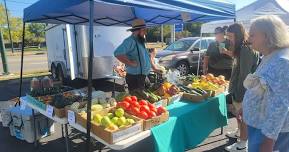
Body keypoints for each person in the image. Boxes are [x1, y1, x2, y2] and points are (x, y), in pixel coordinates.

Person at [242, 15, 289, 152]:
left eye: (252, 35)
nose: (248, 39)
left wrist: (268, 141)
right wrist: (245, 107)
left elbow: (280, 105)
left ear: (267, 36)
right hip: (260, 126)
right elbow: (262, 88)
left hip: (269, 133)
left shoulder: (282, 62)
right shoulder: (270, 56)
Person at [223, 23, 260, 152]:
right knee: (240, 116)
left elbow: (245, 75)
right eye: (227, 35)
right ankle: (240, 134)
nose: (228, 38)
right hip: (240, 89)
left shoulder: (245, 49)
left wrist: (239, 94)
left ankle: (242, 145)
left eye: (230, 36)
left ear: (238, 35)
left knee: (245, 117)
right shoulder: (241, 48)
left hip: (244, 91)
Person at [114, 19, 155, 92]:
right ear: (139, 30)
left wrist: (154, 67)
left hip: (142, 76)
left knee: (144, 100)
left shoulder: (140, 41)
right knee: (138, 100)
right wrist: (130, 63)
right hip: (135, 77)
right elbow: (117, 53)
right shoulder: (130, 41)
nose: (146, 33)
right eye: (144, 30)